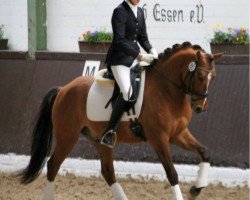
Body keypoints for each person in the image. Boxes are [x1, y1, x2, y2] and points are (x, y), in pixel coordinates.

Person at [101, 0, 158, 148]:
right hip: (119, 59)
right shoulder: (119, 11)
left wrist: (152, 51)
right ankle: (109, 132)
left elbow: (142, 37)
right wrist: (140, 55)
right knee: (128, 92)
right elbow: (119, 41)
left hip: (134, 58)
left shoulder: (139, 12)